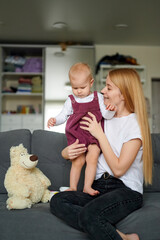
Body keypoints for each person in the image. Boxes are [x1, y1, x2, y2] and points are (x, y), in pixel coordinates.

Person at [50, 68, 153, 240]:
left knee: (89, 215)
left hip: (125, 190)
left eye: (109, 87)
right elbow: (80, 140)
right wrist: (65, 153)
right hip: (98, 188)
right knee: (57, 201)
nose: (103, 91)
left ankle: (101, 225)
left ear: (124, 94)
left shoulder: (134, 125)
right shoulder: (103, 117)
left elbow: (119, 169)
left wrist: (100, 135)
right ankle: (120, 236)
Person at [47, 63, 116, 196]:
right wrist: (55, 120)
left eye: (82, 87)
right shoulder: (71, 100)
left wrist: (111, 110)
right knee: (78, 161)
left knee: (93, 155)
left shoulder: (98, 97)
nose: (78, 91)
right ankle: (73, 187)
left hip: (93, 133)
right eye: (75, 88)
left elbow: (105, 115)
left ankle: (87, 187)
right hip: (77, 134)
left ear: (91, 83)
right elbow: (63, 115)